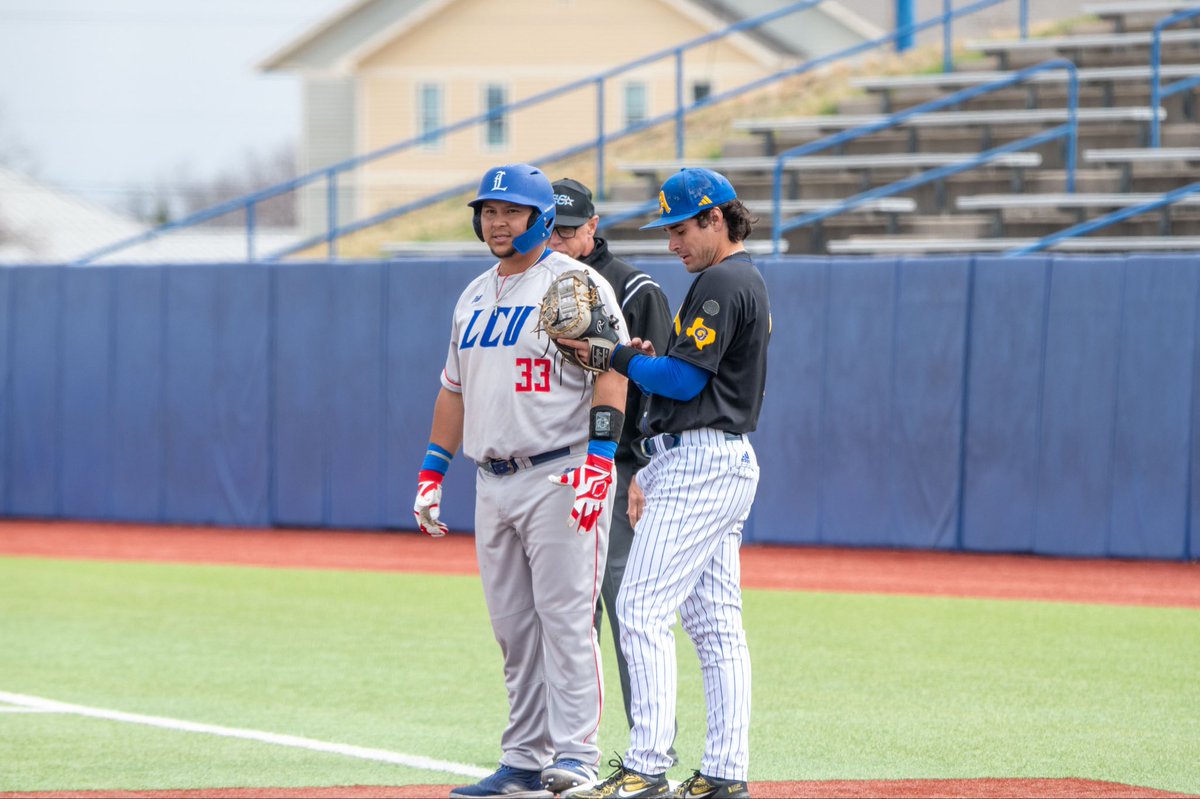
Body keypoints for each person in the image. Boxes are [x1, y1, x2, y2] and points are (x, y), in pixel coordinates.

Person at [412, 163, 630, 799]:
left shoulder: (575, 284)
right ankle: (524, 761)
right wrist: (432, 470)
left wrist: (600, 457)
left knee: (565, 619)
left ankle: (578, 756)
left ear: (539, 218)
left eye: (510, 212)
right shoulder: (474, 293)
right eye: (488, 212)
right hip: (493, 477)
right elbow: (452, 391)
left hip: (562, 469)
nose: (497, 222)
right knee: (513, 628)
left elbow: (610, 373)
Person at [560, 168, 770, 799]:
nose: (672, 243)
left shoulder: (721, 280)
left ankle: (647, 765)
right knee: (715, 626)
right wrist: (649, 363)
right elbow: (681, 376)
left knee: (641, 608)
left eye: (680, 229)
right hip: (717, 458)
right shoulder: (742, 278)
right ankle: (726, 770)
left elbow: (682, 383)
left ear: (714, 218)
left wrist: (620, 357)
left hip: (702, 463)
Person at [547, 177, 673, 746]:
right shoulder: (525, 286)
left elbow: (665, 389)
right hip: (552, 467)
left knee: (627, 609)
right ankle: (569, 747)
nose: (558, 241)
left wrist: (643, 466)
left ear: (593, 228)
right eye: (549, 229)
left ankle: (652, 746)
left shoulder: (632, 289)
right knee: (564, 617)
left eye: (569, 231)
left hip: (618, 468)